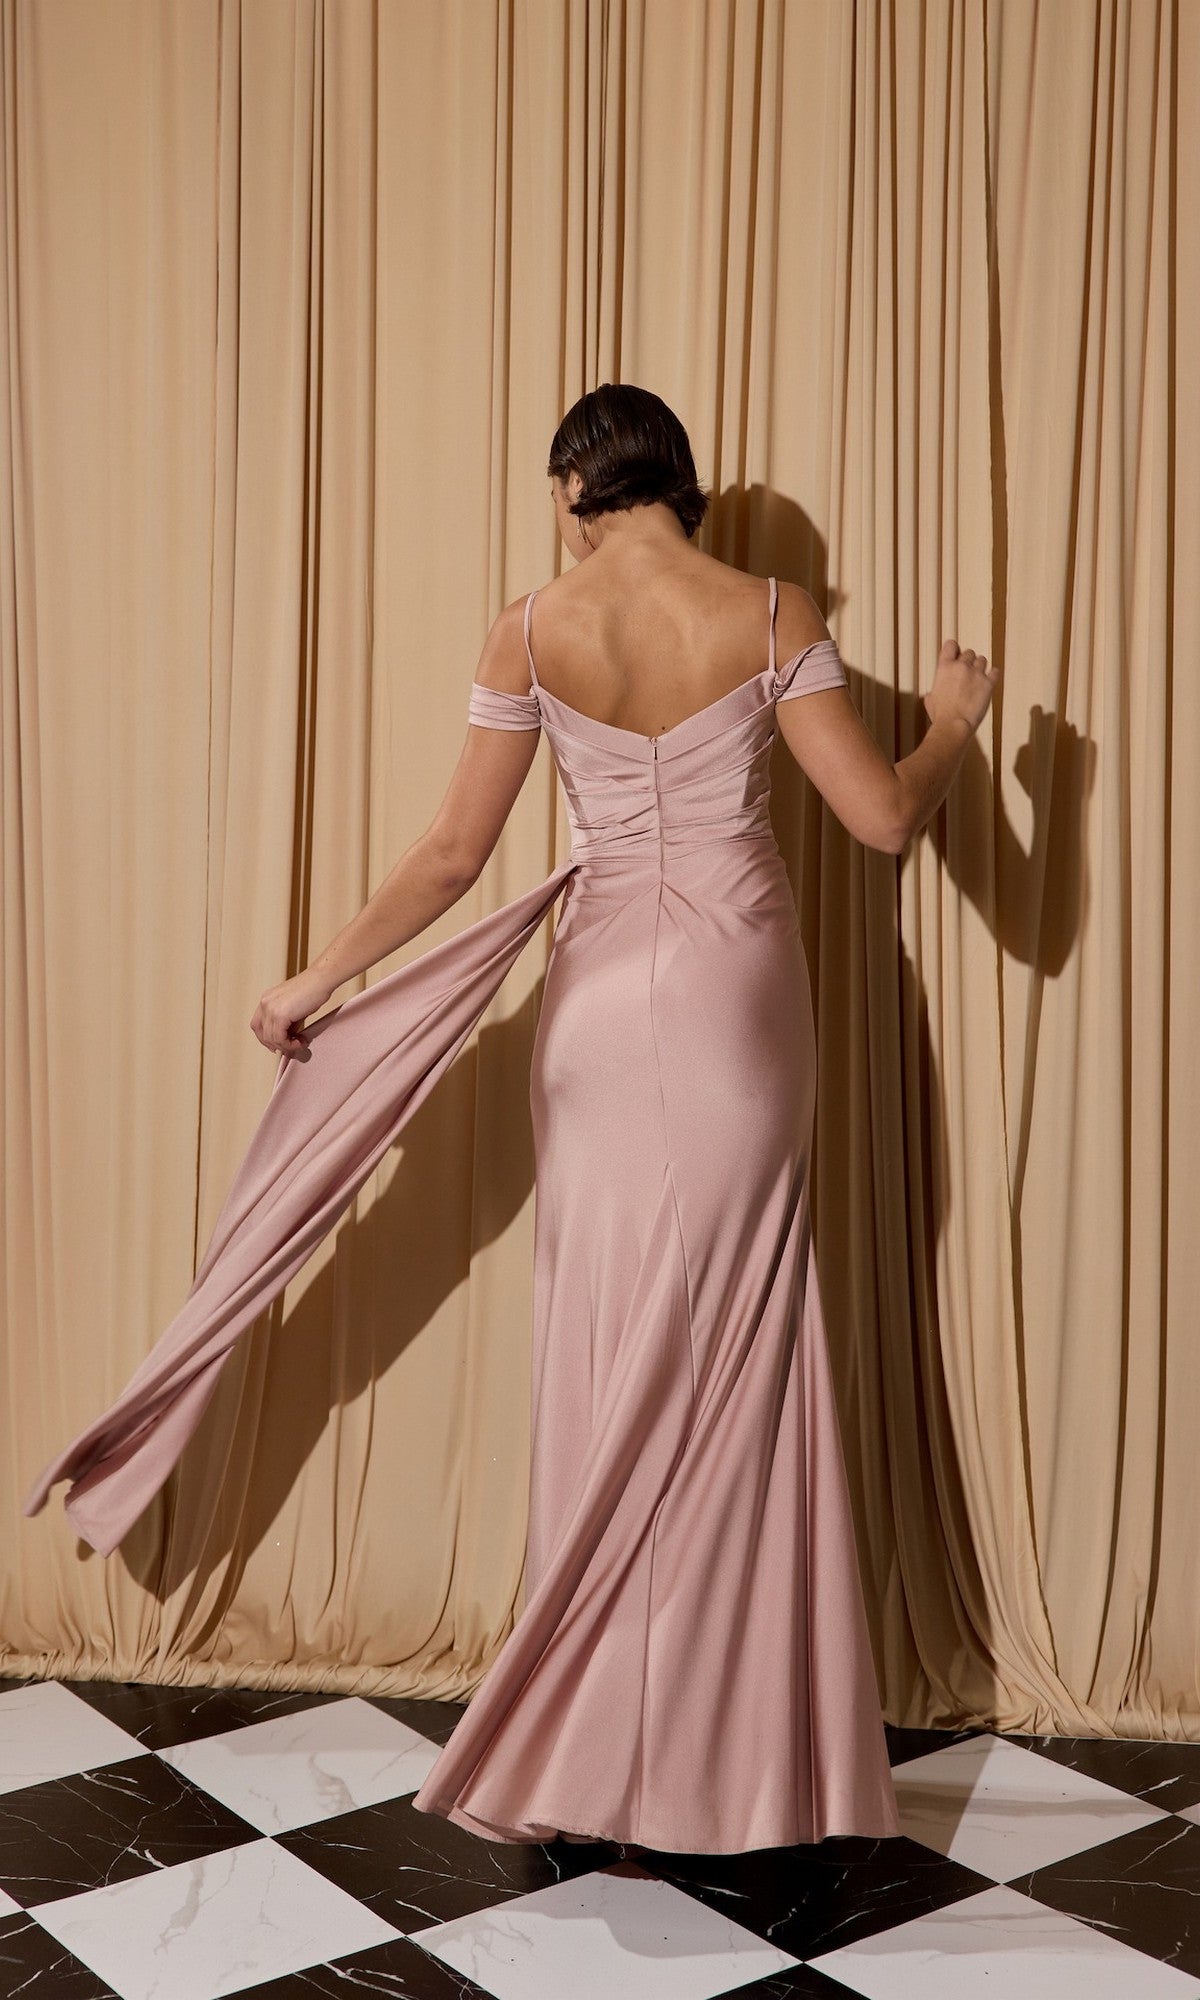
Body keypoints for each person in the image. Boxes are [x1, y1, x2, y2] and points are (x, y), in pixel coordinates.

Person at [24, 382, 996, 1855]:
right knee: (734, 1355)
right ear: (689, 487)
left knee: (608, 1351)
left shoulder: (532, 625)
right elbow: (880, 818)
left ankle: (587, 1748)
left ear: (571, 490)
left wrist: (314, 976)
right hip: (738, 1001)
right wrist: (946, 728)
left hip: (597, 1013)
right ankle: (733, 1769)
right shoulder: (776, 606)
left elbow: (450, 855)